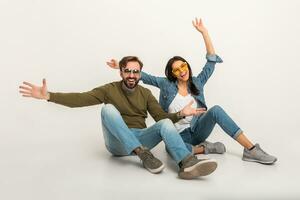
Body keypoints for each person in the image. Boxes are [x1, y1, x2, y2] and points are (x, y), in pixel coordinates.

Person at [106, 18, 277, 165]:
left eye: (183, 66)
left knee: (216, 110)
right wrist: (120, 67)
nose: (181, 71)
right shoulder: (165, 84)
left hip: (197, 129)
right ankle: (206, 148)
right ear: (171, 74)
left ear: (187, 66)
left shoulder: (197, 82)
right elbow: (141, 75)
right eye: (176, 70)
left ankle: (251, 149)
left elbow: (211, 62)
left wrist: (204, 32)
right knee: (172, 151)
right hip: (177, 135)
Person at [19, 56, 218, 179]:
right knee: (108, 110)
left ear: (140, 74)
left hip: (141, 137)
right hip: (117, 144)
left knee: (165, 123)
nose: (132, 75)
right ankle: (142, 154)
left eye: (136, 72)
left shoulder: (146, 94)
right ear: (121, 72)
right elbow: (80, 99)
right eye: (128, 71)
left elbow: (160, 117)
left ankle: (186, 164)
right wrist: (48, 96)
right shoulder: (109, 89)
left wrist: (180, 114)